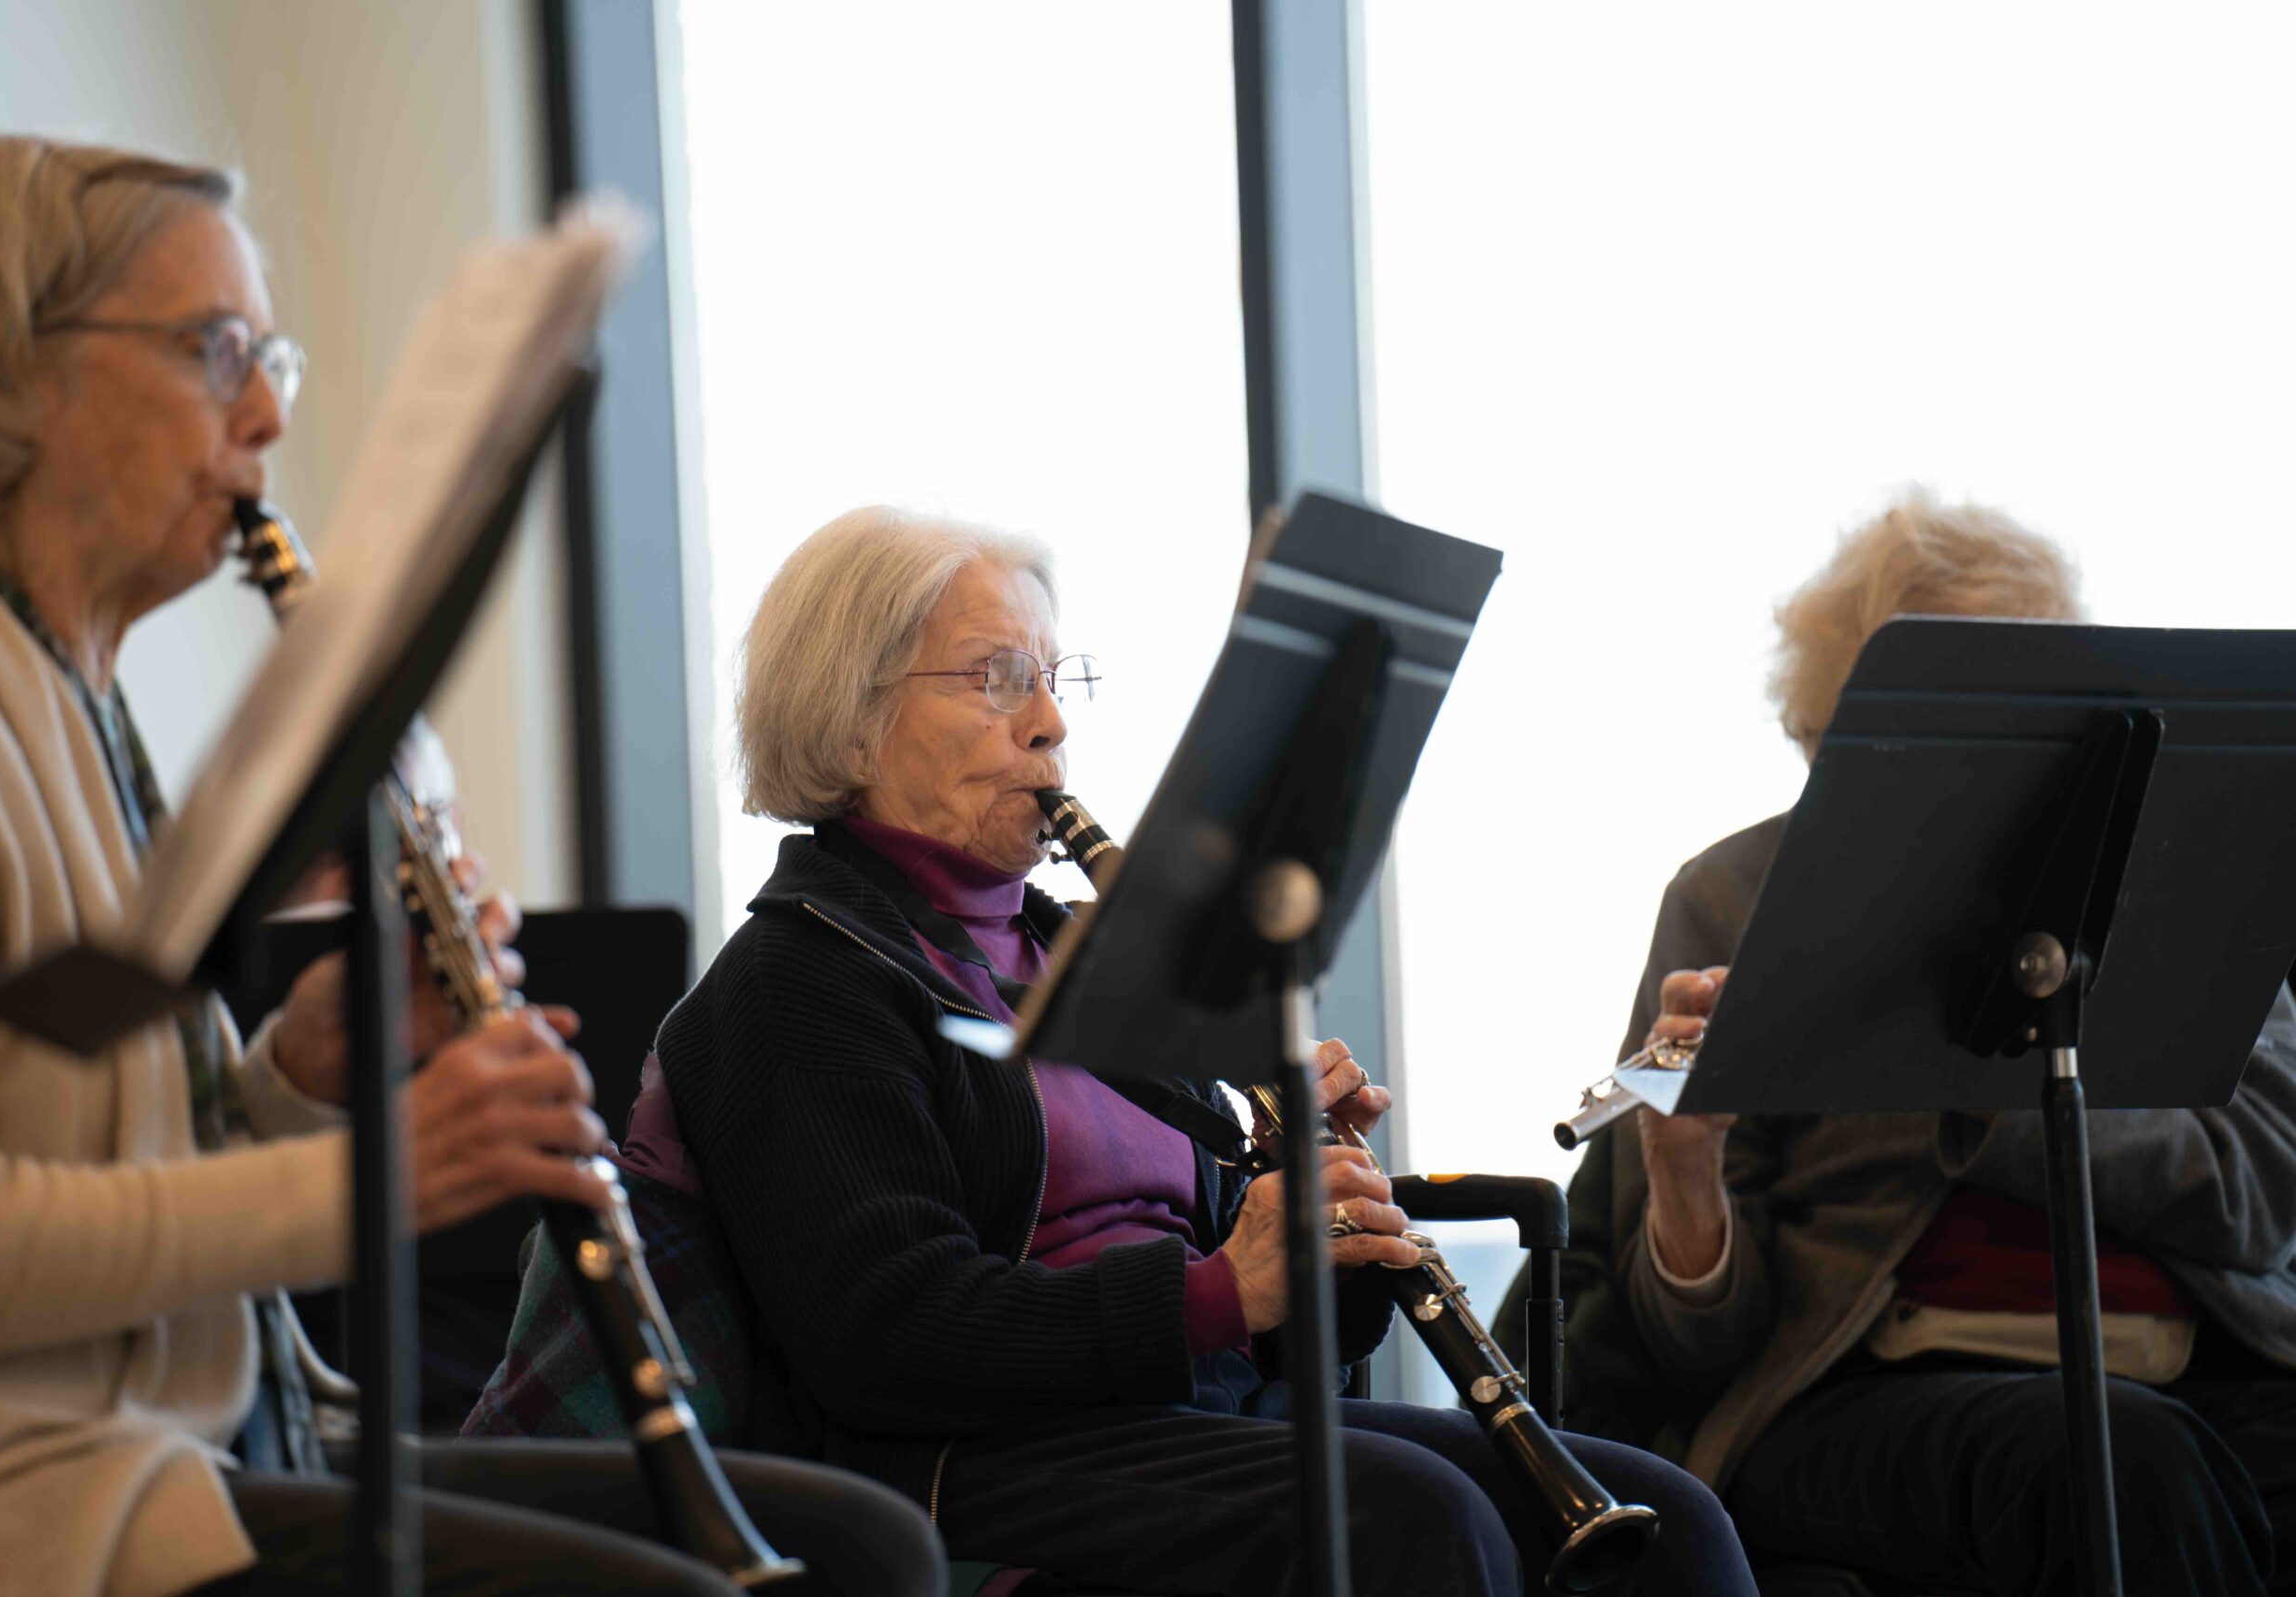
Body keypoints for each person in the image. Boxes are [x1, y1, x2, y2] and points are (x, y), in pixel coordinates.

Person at [0, 135, 939, 1597]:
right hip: (30, 1503)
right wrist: (373, 1176)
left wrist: (294, 1070)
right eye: (213, 349)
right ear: (9, 367)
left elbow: (88, 1152)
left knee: (866, 1544)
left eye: (271, 357)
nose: (266, 412)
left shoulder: (67, 691)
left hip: (221, 1432)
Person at [616, 502, 1760, 1595]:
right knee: (1412, 1517)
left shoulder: (1095, 956)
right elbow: (887, 1336)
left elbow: (1280, 1344)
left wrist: (1315, 1235)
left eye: (1055, 678)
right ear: (851, 714)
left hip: (1192, 1417)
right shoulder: (800, 979)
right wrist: (1213, 1291)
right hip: (975, 1457)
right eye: (997, 677)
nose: (1049, 722)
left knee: (1668, 1518)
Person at [1506, 492, 2296, 1595]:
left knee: (2142, 1451)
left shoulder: (2178, 882)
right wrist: (1684, 1178)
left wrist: (1976, 1078)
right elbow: (1692, 1355)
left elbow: (2265, 1196)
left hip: (2199, 1358)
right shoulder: (1736, 896)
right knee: (2118, 1463)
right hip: (1855, 1390)